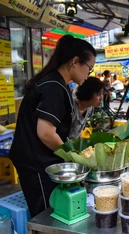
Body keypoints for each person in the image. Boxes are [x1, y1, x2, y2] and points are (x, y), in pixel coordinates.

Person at [9, 35, 96, 217]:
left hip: (40, 157)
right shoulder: (54, 87)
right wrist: (72, 157)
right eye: (89, 68)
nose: (88, 75)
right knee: (45, 213)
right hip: (35, 162)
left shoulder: (57, 83)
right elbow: (46, 133)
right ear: (75, 62)